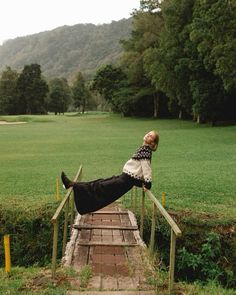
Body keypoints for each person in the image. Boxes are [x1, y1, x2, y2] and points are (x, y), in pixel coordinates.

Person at [61, 130, 159, 215]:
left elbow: (147, 169)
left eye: (151, 136)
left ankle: (72, 186)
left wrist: (147, 184)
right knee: (99, 183)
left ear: (153, 143)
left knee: (99, 187)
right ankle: (71, 185)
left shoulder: (146, 151)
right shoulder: (144, 149)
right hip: (123, 178)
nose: (148, 135)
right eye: (148, 133)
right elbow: (137, 172)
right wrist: (141, 183)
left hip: (124, 182)